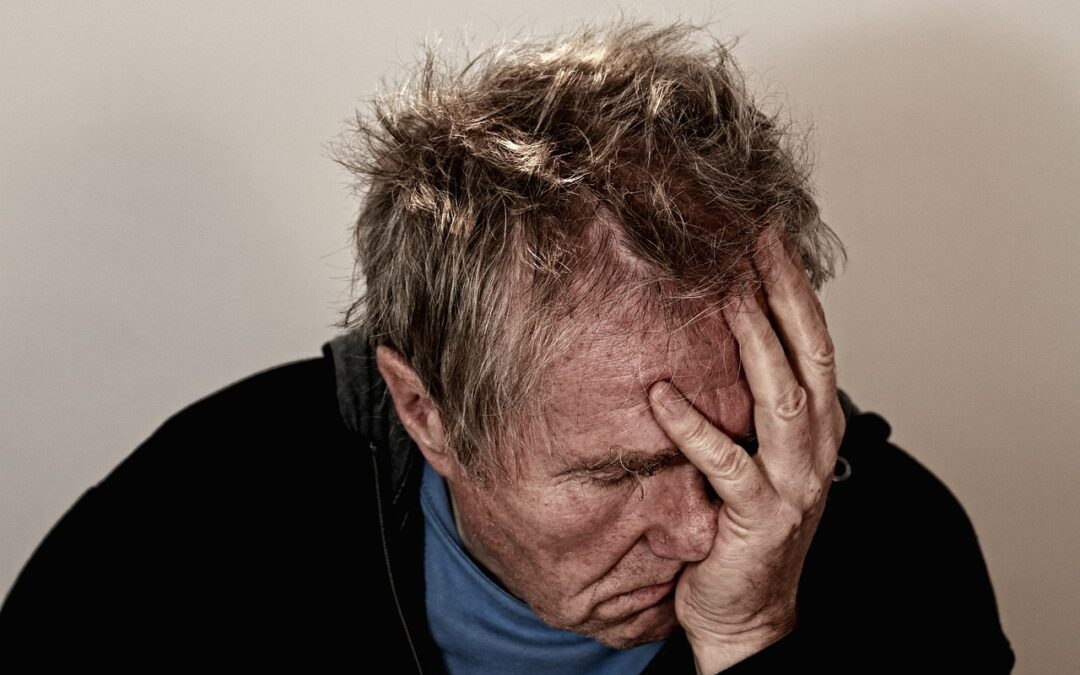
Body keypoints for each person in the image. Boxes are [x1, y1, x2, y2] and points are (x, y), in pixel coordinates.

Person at [0, 20, 1014, 673]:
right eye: (620, 471)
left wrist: (753, 644)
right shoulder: (191, 531)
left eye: (734, 448)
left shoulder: (896, 547)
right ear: (425, 411)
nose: (702, 532)